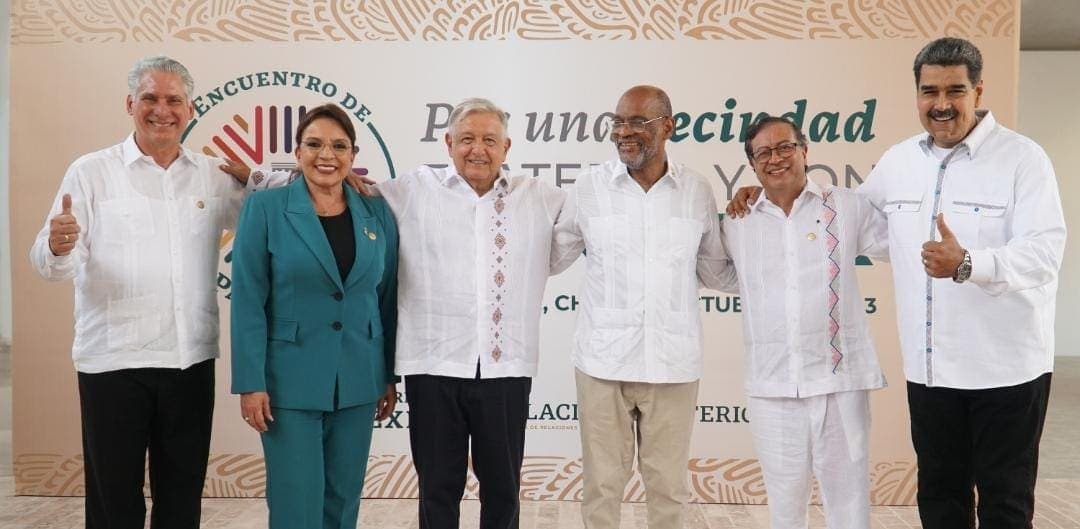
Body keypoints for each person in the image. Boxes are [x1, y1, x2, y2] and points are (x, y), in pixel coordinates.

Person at [729, 38, 1067, 528]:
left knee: (1006, 504)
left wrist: (969, 262)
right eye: (930, 91)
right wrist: (768, 191)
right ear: (917, 95)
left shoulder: (1022, 159)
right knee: (940, 499)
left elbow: (1044, 253)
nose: (942, 104)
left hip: (1006, 369)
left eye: (955, 90)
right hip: (931, 371)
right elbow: (838, 217)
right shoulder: (899, 162)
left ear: (978, 91)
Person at [29, 56, 287, 529]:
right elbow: (50, 264)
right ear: (130, 104)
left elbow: (277, 213)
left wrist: (264, 178)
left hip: (189, 361)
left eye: (173, 100)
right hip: (113, 363)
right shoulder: (90, 172)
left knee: (182, 500)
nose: (161, 110)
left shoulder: (212, 173)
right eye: (149, 98)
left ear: (190, 108)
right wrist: (57, 245)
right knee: (113, 504)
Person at [550, 85, 730, 529]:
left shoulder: (696, 190)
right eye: (618, 122)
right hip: (602, 364)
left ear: (668, 126)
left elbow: (715, 271)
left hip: (672, 364)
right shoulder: (589, 188)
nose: (623, 132)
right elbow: (550, 258)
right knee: (601, 489)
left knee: (669, 490)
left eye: (637, 122)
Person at [710, 116, 888, 529]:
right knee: (785, 506)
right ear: (752, 165)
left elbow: (896, 240)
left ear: (805, 151)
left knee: (848, 502)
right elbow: (718, 274)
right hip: (773, 386)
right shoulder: (738, 221)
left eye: (785, 147)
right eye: (763, 153)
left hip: (840, 382)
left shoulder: (847, 206)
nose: (775, 159)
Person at [230, 103, 399, 529]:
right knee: (296, 504)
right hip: (287, 383)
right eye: (315, 144)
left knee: (342, 503)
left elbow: (386, 297)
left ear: (353, 155)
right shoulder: (265, 208)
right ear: (297, 152)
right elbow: (248, 299)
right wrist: (251, 382)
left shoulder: (377, 211)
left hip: (359, 379)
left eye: (339, 146)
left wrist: (387, 375)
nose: (327, 155)